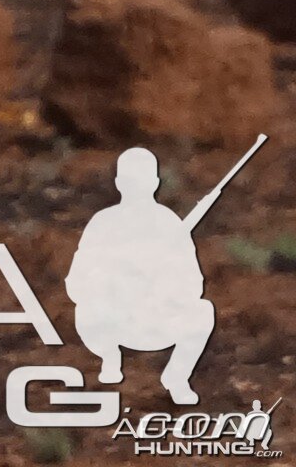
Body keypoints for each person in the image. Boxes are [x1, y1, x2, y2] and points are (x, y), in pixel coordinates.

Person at [70, 144, 224, 405]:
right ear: (119, 183)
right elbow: (76, 283)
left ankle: (176, 377)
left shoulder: (170, 224)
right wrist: (115, 281)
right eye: (132, 181)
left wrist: (163, 287)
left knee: (203, 311)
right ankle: (109, 357)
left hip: (157, 321)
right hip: (113, 322)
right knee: (85, 311)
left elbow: (193, 285)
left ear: (155, 183)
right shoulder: (102, 223)